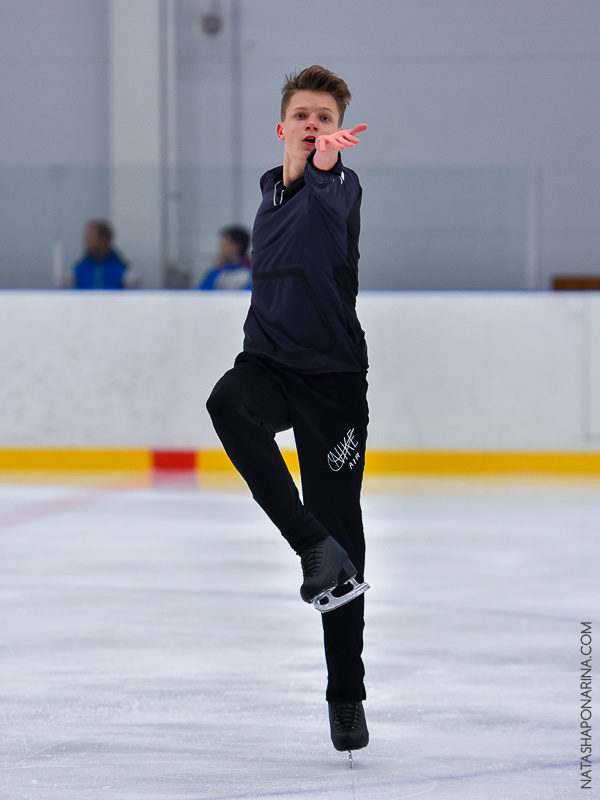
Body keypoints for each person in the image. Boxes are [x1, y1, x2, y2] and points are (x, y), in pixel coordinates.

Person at [206, 65, 370, 759]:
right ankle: (310, 545)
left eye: (324, 119)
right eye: (302, 116)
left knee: (344, 530)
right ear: (282, 127)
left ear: (338, 134)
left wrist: (327, 164)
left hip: (333, 381)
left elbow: (327, 190)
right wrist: (307, 168)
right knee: (226, 402)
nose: (313, 126)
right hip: (269, 366)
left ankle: (345, 694)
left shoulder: (341, 186)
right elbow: (292, 188)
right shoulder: (269, 193)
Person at [73, 220, 128, 289]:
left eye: (91, 236)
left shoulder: (122, 269)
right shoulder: (79, 268)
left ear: (103, 239)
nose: (87, 240)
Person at [198, 226, 252, 290]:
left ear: (236, 246)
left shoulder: (249, 273)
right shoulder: (217, 271)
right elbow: (201, 291)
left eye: (225, 243)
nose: (221, 247)